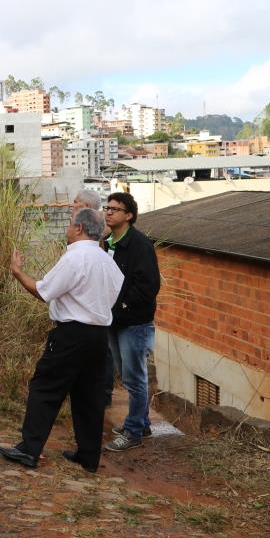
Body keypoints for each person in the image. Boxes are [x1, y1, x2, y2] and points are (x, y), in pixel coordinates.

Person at [0, 208, 124, 473]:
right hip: (99, 335)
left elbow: (44, 291)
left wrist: (18, 272)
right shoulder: (108, 262)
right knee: (89, 396)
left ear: (79, 228)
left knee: (45, 388)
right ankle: (89, 457)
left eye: (69, 224)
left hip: (72, 333)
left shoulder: (75, 258)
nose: (67, 229)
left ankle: (29, 449)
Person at [102, 192, 161, 452]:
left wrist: (123, 307)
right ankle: (142, 423)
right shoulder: (108, 243)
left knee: (135, 378)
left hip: (134, 323)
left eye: (115, 209)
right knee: (127, 376)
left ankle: (134, 431)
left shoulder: (140, 245)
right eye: (107, 207)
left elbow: (149, 286)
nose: (109, 212)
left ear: (129, 215)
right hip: (114, 320)